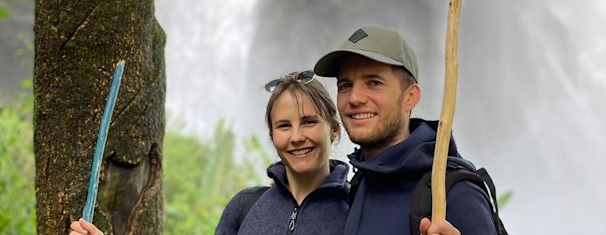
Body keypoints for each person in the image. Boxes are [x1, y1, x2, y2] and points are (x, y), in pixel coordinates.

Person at [70, 70, 349, 235]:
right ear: (273, 136)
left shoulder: (356, 207)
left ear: (334, 131)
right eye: (284, 126)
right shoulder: (246, 206)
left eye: (309, 122)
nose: (297, 137)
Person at [314, 25, 498, 235]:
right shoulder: (360, 183)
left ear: (410, 97)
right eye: (345, 85)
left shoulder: (452, 194)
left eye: (374, 82)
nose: (355, 98)